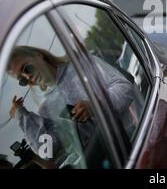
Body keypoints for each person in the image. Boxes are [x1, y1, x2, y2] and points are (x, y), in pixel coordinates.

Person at [7, 46, 136, 163]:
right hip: (101, 162)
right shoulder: (46, 110)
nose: (28, 77)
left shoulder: (81, 65)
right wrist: (22, 115)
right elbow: (48, 152)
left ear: (38, 55)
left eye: (27, 68)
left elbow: (125, 87)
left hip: (134, 144)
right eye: (22, 80)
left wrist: (96, 106)